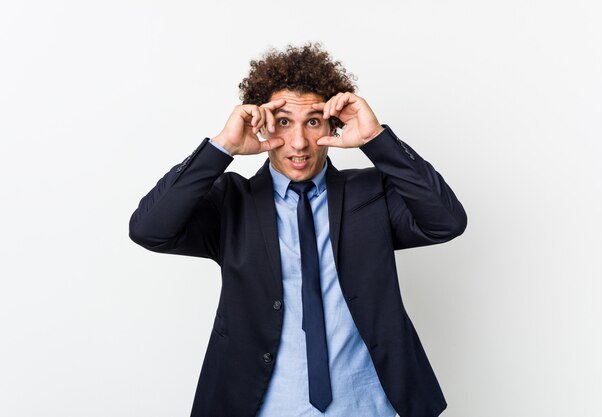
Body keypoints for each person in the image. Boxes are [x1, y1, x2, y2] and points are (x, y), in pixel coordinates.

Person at [129, 43, 467, 417]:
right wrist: (222, 147)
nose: (299, 142)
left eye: (312, 121)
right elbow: (149, 229)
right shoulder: (231, 202)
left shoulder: (370, 194)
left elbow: (446, 221)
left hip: (368, 404)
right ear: (262, 123)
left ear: (332, 123)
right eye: (284, 121)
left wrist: (376, 139)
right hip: (263, 407)